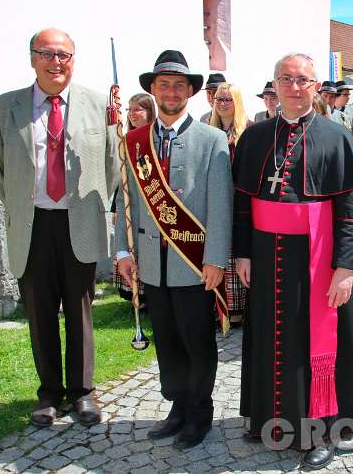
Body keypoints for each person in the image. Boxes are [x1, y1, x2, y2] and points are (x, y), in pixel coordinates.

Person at [233, 52, 353, 469]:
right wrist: (241, 253)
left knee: (317, 342)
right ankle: (269, 419)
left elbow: (350, 211)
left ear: (316, 86)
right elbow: (241, 202)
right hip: (263, 253)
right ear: (274, 84)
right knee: (269, 337)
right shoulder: (254, 137)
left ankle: (322, 431)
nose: (294, 87)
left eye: (303, 80)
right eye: (286, 79)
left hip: (317, 259)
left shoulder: (336, 135)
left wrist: (345, 269)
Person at [0, 28, 119, 427]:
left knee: (79, 310)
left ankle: (82, 392)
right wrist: (23, 202)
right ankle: (48, 393)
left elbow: (112, 164)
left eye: (64, 55)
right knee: (40, 312)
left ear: (73, 59)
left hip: (80, 221)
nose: (56, 62)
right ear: (32, 58)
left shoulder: (98, 106)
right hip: (33, 223)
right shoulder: (4, 108)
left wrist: (93, 208)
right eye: (47, 53)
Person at [116, 50, 232, 449]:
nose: (170, 91)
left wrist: (217, 258)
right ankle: (177, 408)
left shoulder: (212, 139)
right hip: (151, 263)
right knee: (167, 341)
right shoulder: (135, 142)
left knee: (197, 343)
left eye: (178, 85)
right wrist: (123, 252)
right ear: (152, 89)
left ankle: (199, 415)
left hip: (195, 263)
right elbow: (127, 202)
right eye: (163, 84)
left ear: (190, 92)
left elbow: (221, 205)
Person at [209, 82, 251, 327]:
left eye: (228, 99)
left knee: (239, 254)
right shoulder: (208, 130)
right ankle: (220, 303)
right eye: (219, 99)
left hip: (238, 200)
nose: (223, 104)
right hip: (216, 200)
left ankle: (239, 308)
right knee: (219, 254)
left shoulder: (246, 131)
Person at [111, 93, 156, 304]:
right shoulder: (126, 140)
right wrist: (116, 207)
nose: (132, 113)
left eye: (137, 109)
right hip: (132, 204)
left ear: (149, 111)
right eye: (130, 109)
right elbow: (122, 181)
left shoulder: (154, 139)